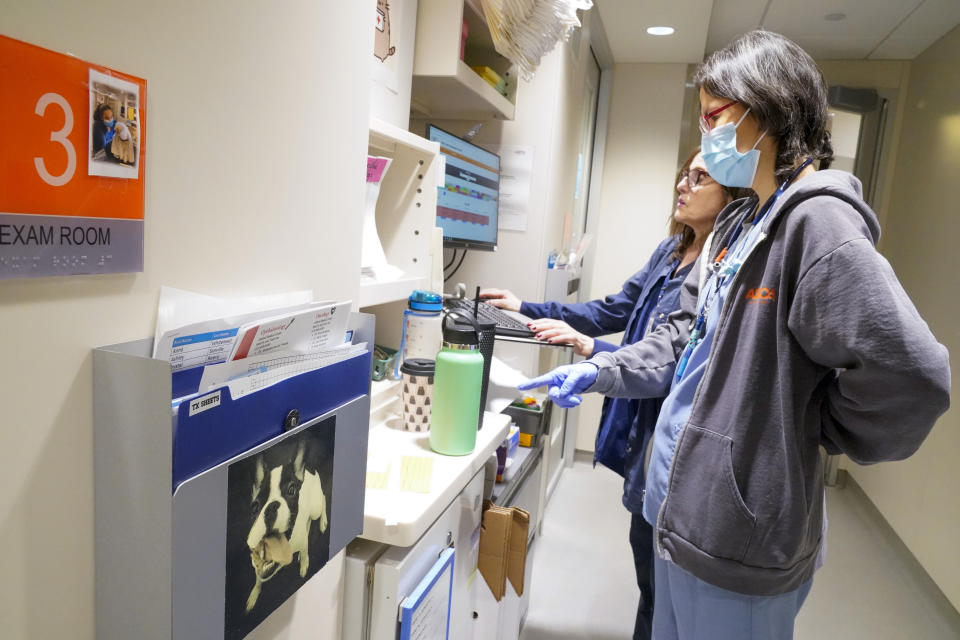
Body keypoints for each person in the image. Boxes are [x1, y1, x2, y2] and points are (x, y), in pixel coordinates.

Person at [520, 30, 950, 640]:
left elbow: (913, 378)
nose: (706, 139)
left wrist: (810, 425)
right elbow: (679, 339)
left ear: (767, 109)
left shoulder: (816, 224)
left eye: (716, 118)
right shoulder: (738, 224)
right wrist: (600, 370)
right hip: (675, 509)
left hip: (737, 542)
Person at [481, 149, 745, 640]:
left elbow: (671, 359)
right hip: (638, 434)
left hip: (672, 439)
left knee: (661, 589)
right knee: (648, 577)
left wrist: (593, 355)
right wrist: (527, 308)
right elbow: (614, 309)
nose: (683, 186)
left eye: (700, 177)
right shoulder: (671, 252)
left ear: (731, 192)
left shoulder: (721, 270)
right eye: (682, 175)